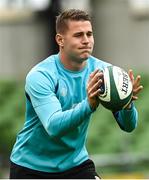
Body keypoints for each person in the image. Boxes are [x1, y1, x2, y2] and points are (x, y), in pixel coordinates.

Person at [9, 9, 143, 179]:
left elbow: (129, 126)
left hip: (75, 164)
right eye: (78, 35)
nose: (86, 40)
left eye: (89, 34)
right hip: (32, 168)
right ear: (60, 40)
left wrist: (126, 103)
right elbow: (54, 126)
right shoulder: (41, 75)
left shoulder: (105, 73)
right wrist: (88, 106)